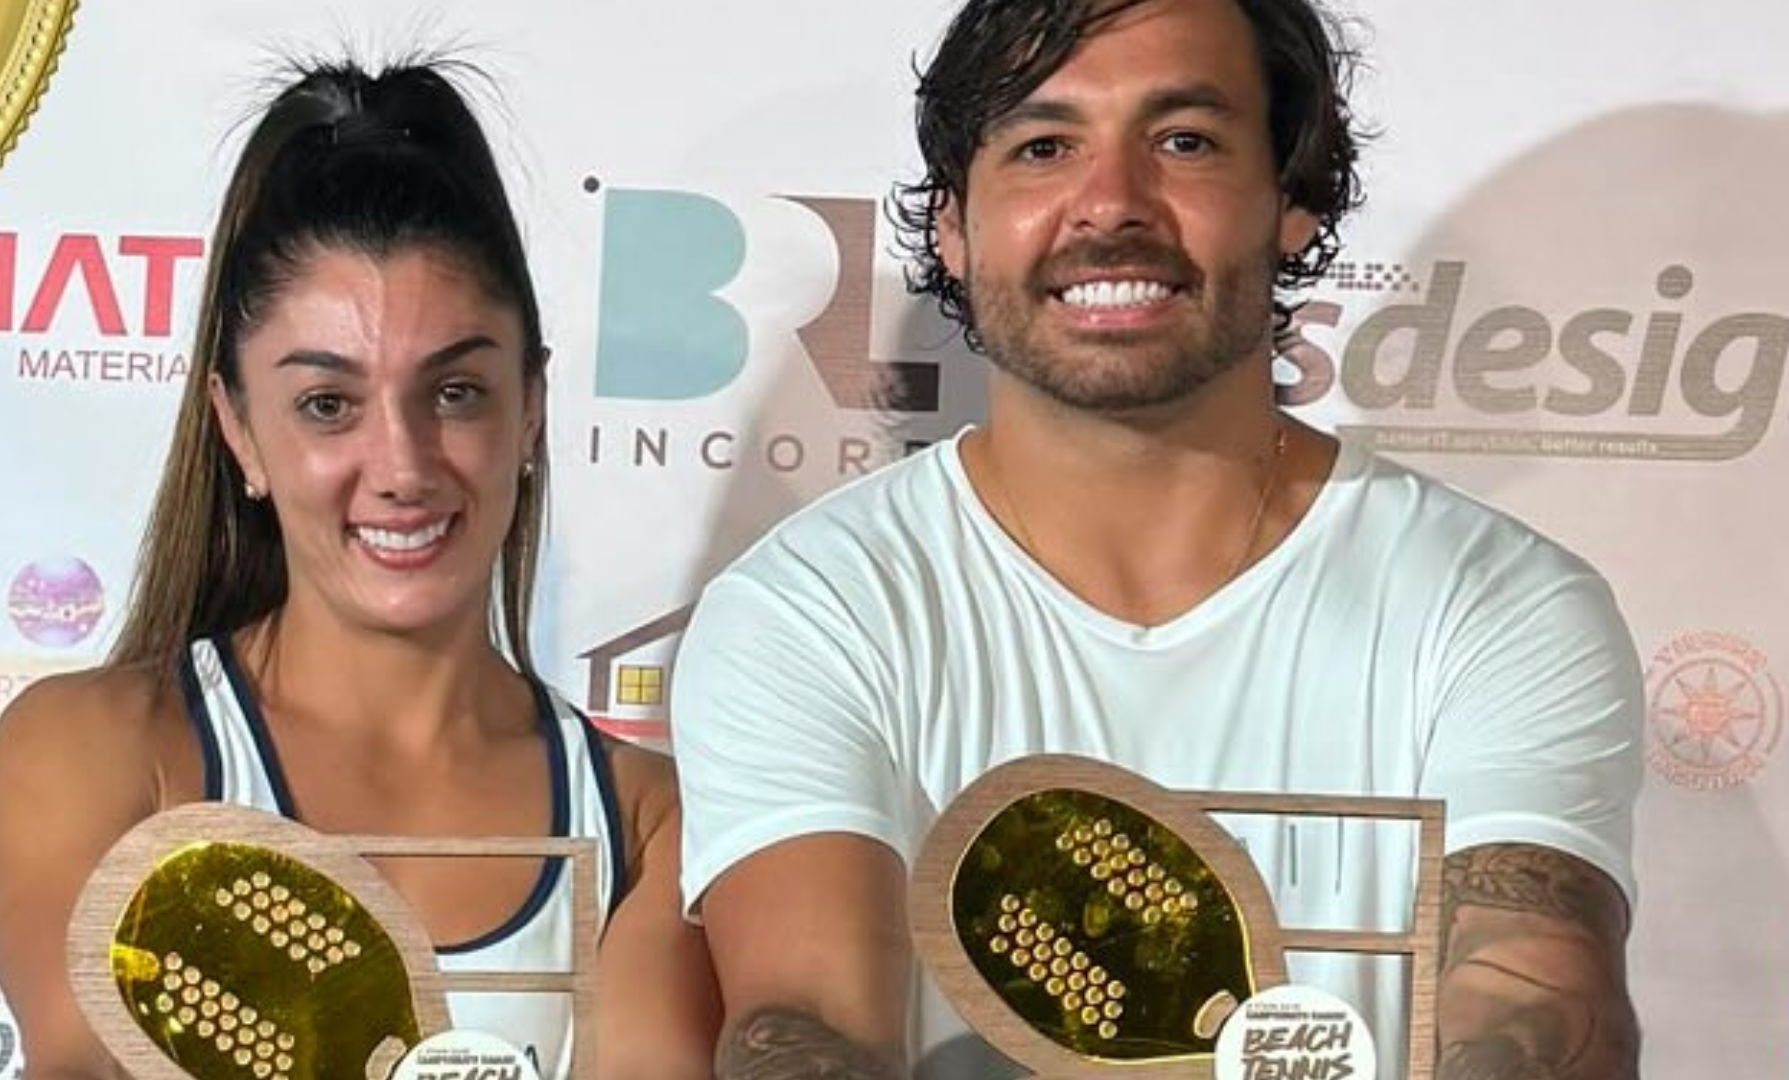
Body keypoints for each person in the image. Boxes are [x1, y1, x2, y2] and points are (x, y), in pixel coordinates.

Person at [671, 1, 1641, 1078]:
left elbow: (1538, 995)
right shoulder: (811, 608)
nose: (1112, 205)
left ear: (1294, 199)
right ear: (953, 222)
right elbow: (806, 1020)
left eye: (1184, 141)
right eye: (1044, 147)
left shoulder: (1497, 602)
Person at [0, 60, 718, 1080]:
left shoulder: (647, 820)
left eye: (456, 391)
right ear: (238, 429)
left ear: (531, 405)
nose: (404, 467)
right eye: (328, 404)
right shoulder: (100, 751)